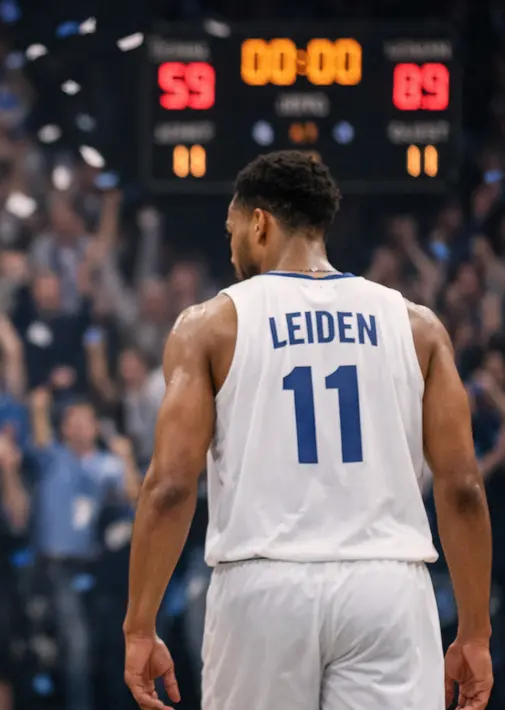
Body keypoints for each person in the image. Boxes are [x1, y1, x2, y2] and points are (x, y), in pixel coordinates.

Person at [122, 150, 494, 710]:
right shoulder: (416, 325)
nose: (230, 248)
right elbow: (463, 487)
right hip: (386, 585)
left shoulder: (211, 325)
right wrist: (474, 634)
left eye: (232, 231)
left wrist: (139, 626)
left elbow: (171, 486)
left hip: (262, 585)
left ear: (259, 222)